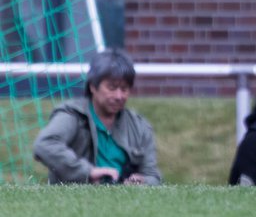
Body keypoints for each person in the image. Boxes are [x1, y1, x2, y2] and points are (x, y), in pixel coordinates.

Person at [32, 48, 162, 185]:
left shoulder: (140, 126)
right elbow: (44, 144)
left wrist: (141, 181)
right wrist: (88, 172)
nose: (119, 96)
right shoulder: (71, 114)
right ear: (93, 86)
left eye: (124, 89)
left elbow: (153, 176)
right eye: (112, 88)